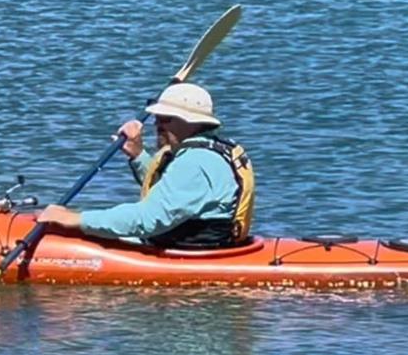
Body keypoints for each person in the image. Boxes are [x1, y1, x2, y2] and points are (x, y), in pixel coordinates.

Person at [37, 82, 255, 249]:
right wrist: (138, 155)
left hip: (193, 251)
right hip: (206, 241)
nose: (157, 124)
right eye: (157, 117)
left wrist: (75, 219)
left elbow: (147, 219)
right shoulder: (210, 151)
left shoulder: (194, 163)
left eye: (166, 118)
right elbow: (174, 191)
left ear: (191, 122)